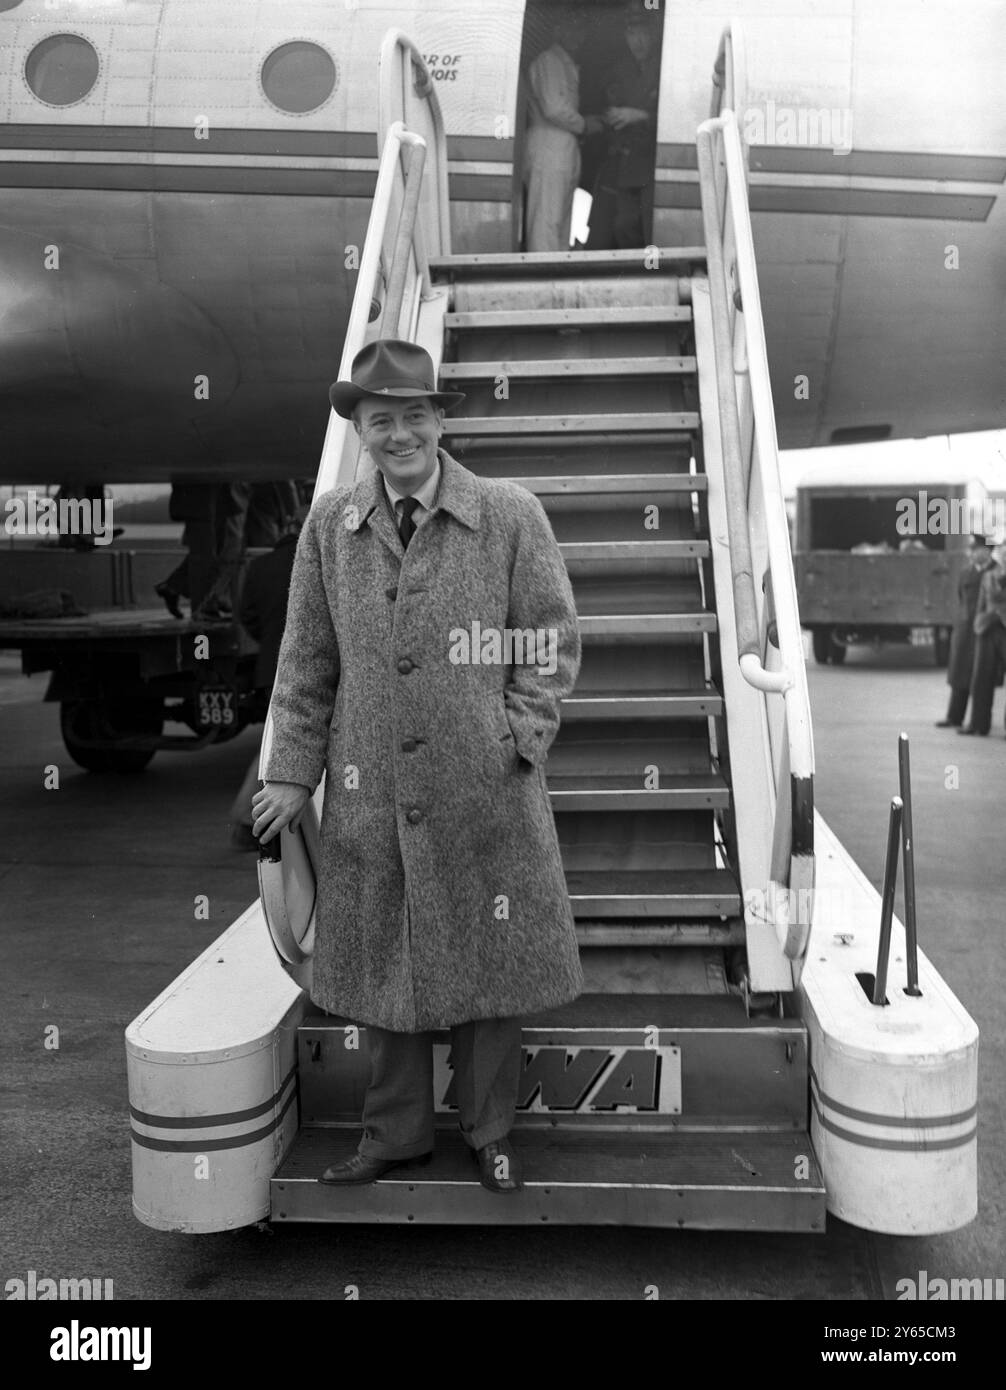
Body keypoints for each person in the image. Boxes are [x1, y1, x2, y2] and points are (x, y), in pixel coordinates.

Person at [252, 339, 583, 1193]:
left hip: (485, 789)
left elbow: (545, 641)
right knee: (386, 973)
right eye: (379, 420)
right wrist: (290, 774)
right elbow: (307, 658)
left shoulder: (508, 513)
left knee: (490, 971)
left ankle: (490, 1133)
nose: (398, 434)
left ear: (441, 419)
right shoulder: (332, 525)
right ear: (360, 430)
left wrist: (515, 736)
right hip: (371, 787)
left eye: (413, 415)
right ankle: (393, 1135)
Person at [229, 505, 309, 850]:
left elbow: (245, 614)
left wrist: (268, 646)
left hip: (269, 668)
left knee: (273, 741)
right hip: (306, 668)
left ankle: (254, 823)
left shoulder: (260, 566)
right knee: (280, 747)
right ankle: (249, 822)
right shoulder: (317, 558)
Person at [522, 16, 602, 251]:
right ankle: (541, 277)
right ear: (558, 29)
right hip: (548, 144)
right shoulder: (549, 60)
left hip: (564, 146)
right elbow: (553, 108)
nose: (578, 36)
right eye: (571, 27)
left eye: (582, 29)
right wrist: (585, 125)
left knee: (561, 218)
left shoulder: (565, 63)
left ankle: (555, 274)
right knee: (546, 219)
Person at [586, 9, 661, 250]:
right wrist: (611, 115)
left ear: (652, 34)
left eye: (642, 33)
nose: (637, 41)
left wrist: (639, 116)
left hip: (653, 161)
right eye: (631, 33)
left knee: (648, 228)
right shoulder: (620, 70)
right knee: (622, 226)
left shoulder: (665, 68)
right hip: (625, 161)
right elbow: (608, 104)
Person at [936, 535, 994, 728]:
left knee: (980, 679)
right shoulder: (966, 572)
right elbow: (961, 598)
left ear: (987, 551)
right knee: (959, 675)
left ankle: (977, 723)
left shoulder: (996, 572)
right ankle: (954, 717)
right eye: (972, 549)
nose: (973, 553)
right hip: (965, 630)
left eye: (976, 549)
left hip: (985, 631)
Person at [958, 538, 1006, 737]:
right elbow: (981, 603)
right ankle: (978, 724)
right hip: (987, 631)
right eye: (1003, 552)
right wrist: (979, 623)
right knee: (981, 679)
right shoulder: (990, 575)